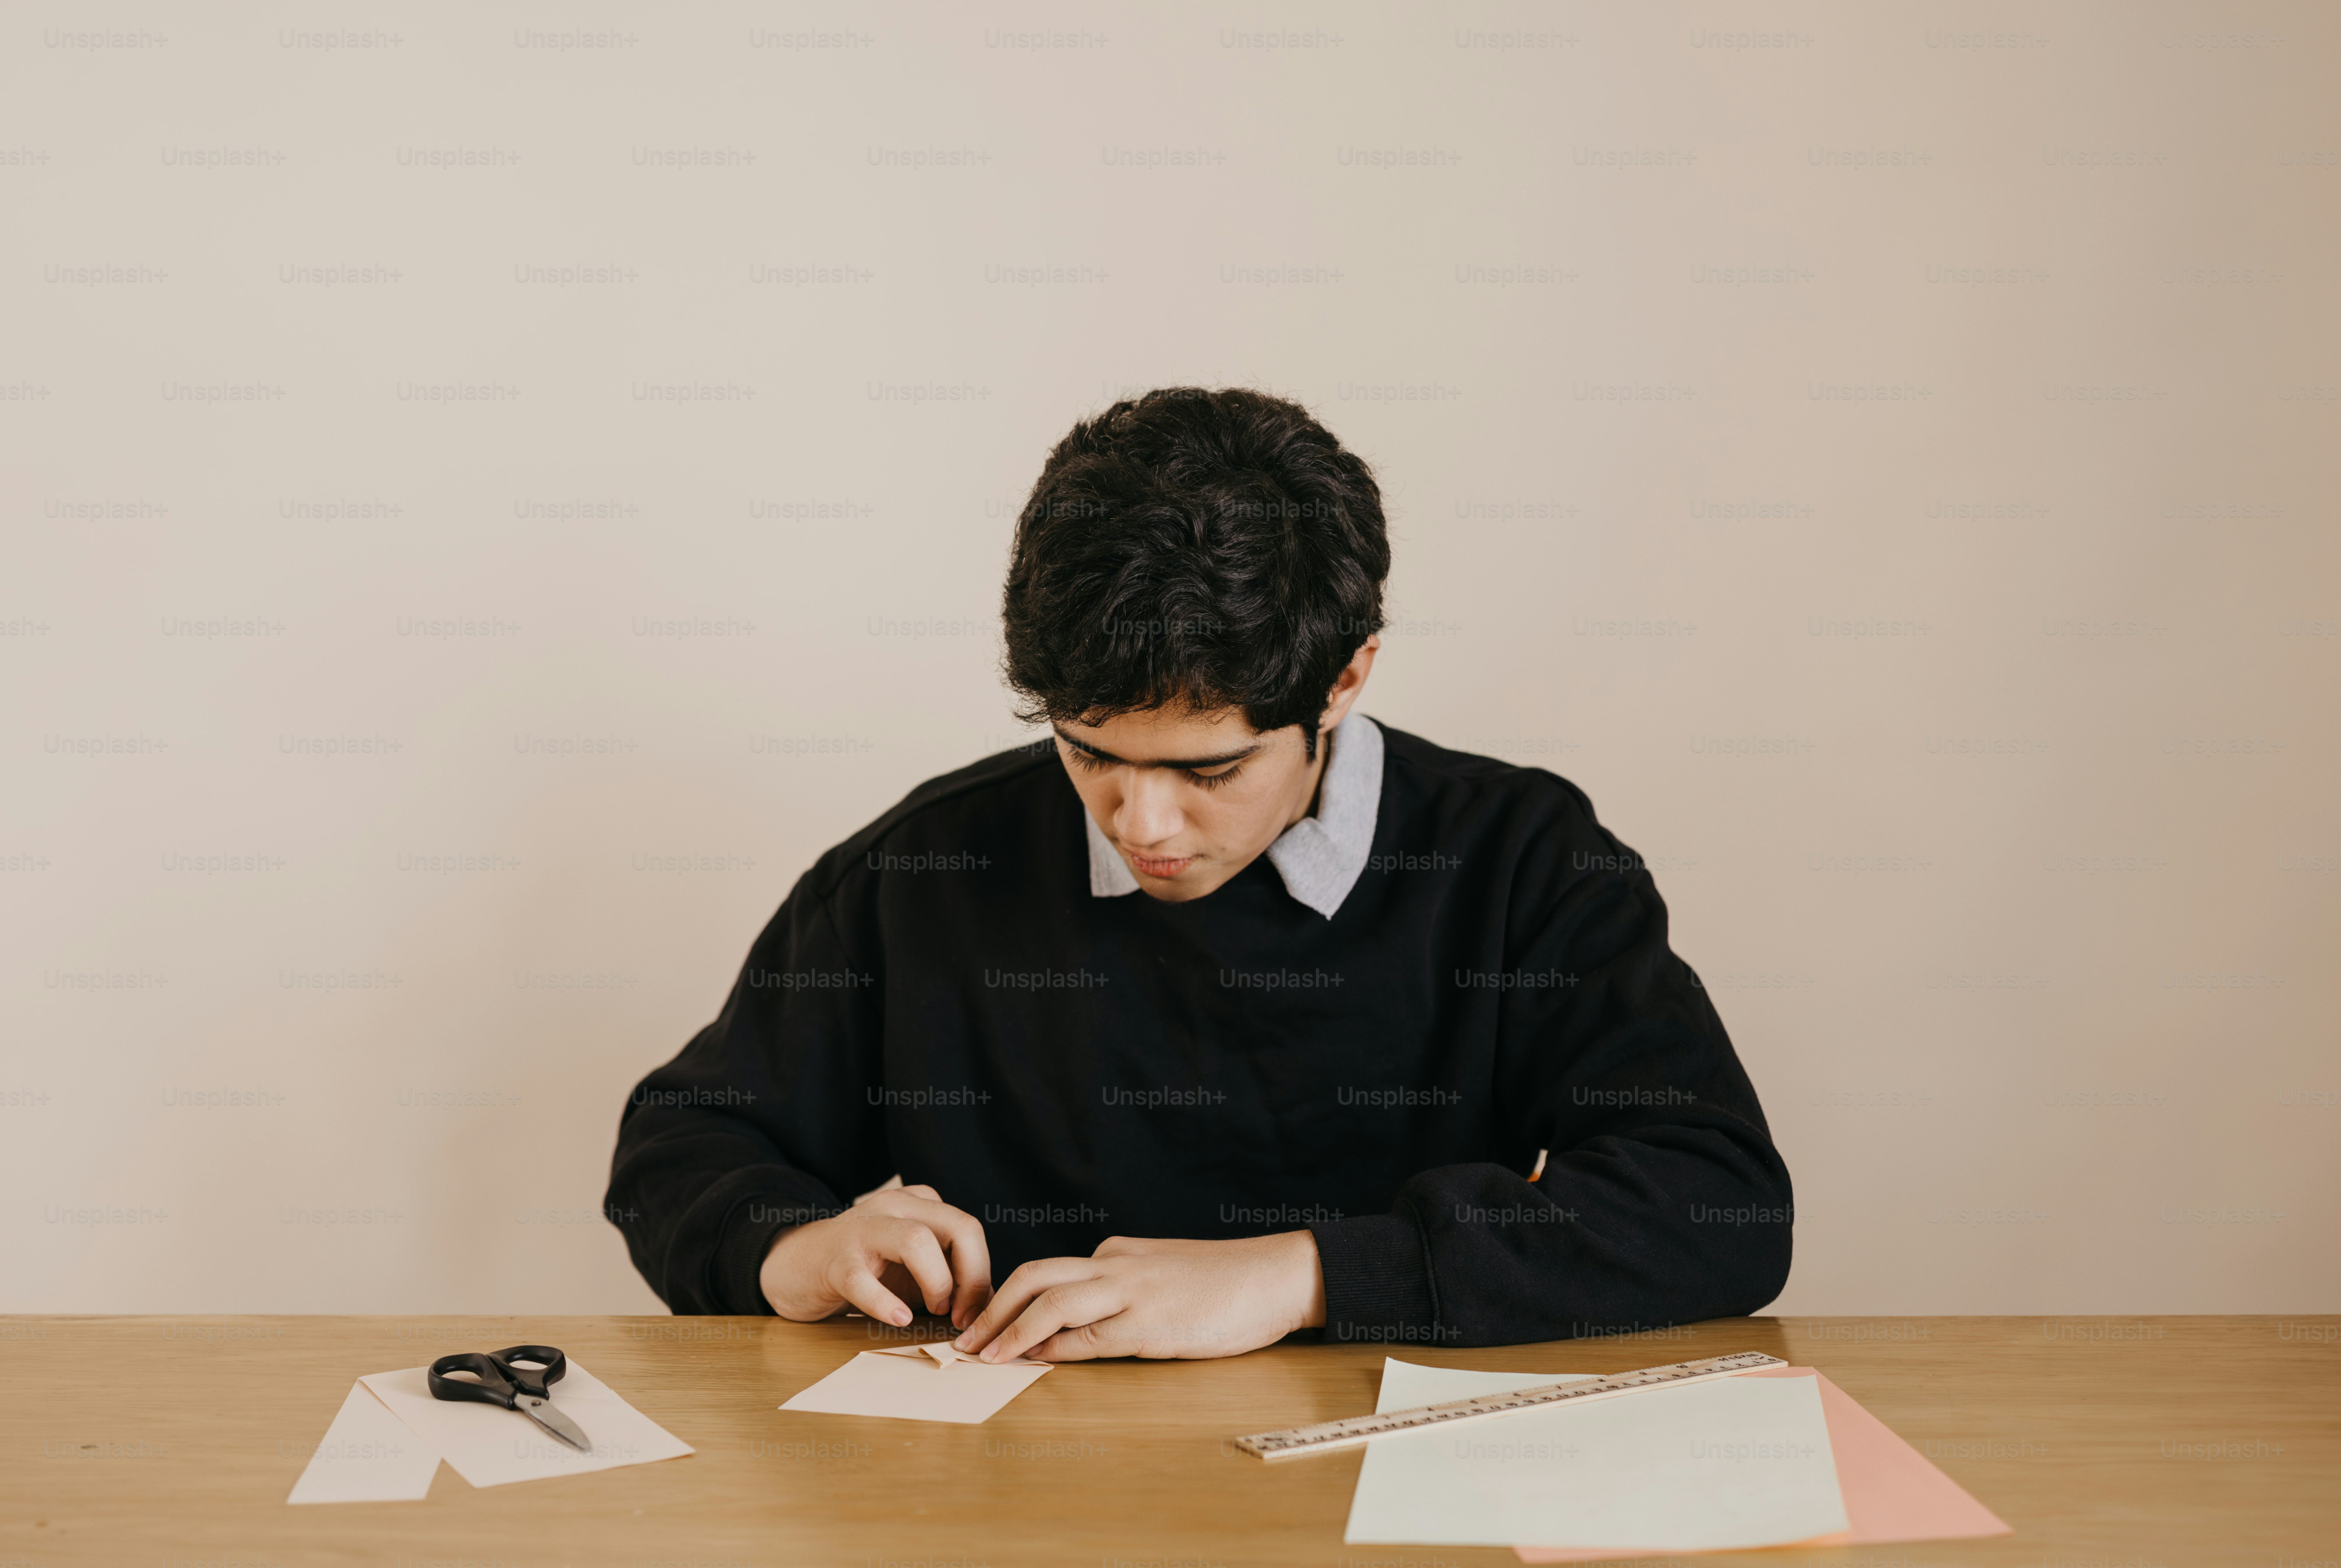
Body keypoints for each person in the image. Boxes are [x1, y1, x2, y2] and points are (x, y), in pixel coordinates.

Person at [607, 387, 1792, 1362]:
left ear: (1345, 679)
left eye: (1210, 769)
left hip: (1390, 1499)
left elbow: (1712, 1201)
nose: (1143, 822)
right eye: (1088, 756)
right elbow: (685, 1142)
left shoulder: (1517, 861)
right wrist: (790, 1245)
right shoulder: (926, 865)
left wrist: (1302, 1277)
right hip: (1012, 1503)